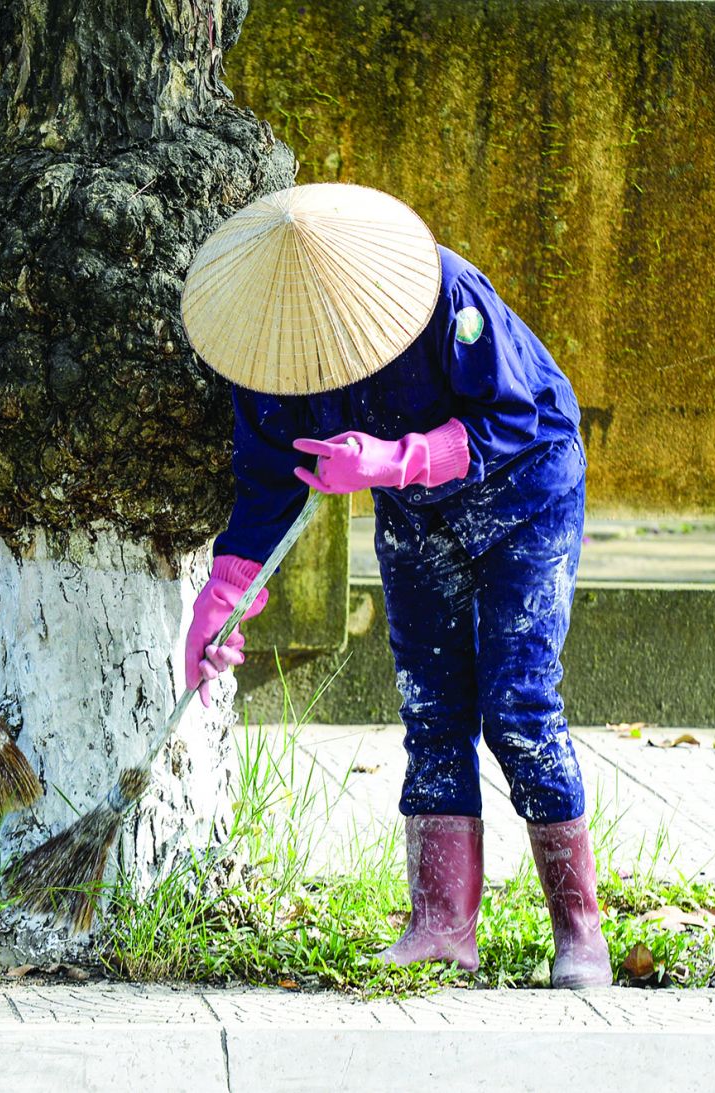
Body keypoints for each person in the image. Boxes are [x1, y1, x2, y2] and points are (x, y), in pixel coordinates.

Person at [180, 183, 610, 989]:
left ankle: (579, 930)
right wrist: (225, 590)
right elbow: (272, 481)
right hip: (418, 517)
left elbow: (517, 417)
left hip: (526, 490)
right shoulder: (264, 357)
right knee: (431, 705)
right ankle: (442, 924)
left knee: (517, 705)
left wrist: (395, 461)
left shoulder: (443, 295)